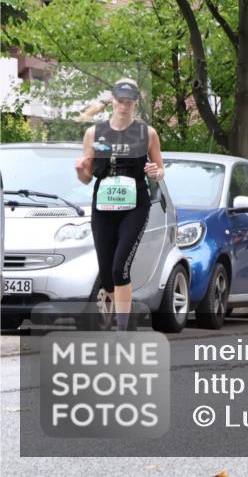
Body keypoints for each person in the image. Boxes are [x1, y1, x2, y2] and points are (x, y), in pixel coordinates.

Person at [74, 79, 164, 332]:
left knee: (119, 266)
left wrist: (155, 171)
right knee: (106, 273)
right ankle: (124, 318)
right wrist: (81, 170)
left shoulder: (148, 133)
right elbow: (86, 178)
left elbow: (160, 171)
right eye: (120, 101)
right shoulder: (93, 133)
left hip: (135, 206)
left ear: (136, 102)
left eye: (129, 102)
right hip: (103, 207)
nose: (124, 106)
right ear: (112, 101)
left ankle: (122, 330)